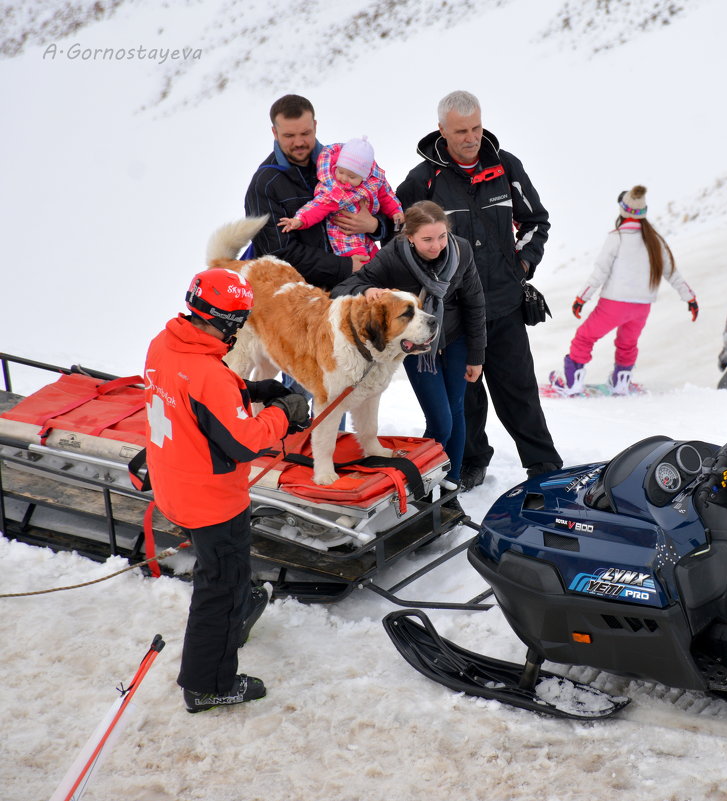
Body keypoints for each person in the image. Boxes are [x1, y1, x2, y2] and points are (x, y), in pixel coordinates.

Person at [144, 269, 311, 712]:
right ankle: (208, 684)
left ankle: (239, 608)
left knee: (225, 574)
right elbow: (243, 441)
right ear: (225, 321)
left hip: (175, 483)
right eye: (237, 322)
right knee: (218, 587)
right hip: (212, 501)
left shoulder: (165, 344)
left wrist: (251, 390)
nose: (239, 331)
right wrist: (283, 412)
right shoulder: (208, 374)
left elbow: (196, 397)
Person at [395, 90, 561, 489]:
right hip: (453, 314)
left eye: (476, 128)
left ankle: (543, 465)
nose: (470, 138)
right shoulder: (423, 180)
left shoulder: (505, 167)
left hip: (503, 305)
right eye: (461, 131)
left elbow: (537, 221)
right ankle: (472, 462)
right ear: (442, 131)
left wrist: (520, 265)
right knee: (465, 397)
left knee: (518, 389)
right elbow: (401, 237)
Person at [331, 201, 485, 502]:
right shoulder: (393, 255)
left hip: (454, 337)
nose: (437, 245)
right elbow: (344, 287)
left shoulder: (461, 250)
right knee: (440, 419)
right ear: (409, 236)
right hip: (416, 348)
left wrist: (476, 355)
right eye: (427, 239)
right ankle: (422, 482)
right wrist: (367, 291)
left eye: (441, 236)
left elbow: (475, 303)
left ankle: (449, 484)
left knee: (456, 411)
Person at [549, 185, 697, 397]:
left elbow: (600, 272)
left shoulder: (617, 237)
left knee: (584, 338)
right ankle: (621, 382)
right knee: (627, 344)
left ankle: (573, 383)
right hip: (642, 307)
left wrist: (582, 298)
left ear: (623, 210)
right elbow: (672, 273)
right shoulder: (655, 241)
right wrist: (690, 298)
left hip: (614, 304)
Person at [245, 94, 393, 291]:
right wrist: (344, 266)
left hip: (359, 279)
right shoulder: (265, 184)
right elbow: (278, 251)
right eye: (289, 136)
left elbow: (391, 208)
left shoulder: (345, 162)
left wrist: (375, 225)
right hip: (298, 296)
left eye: (305, 133)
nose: (299, 142)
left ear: (315, 126)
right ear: (274, 132)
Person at [278, 135, 404, 264]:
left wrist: (396, 212)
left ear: (364, 177)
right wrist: (300, 220)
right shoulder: (335, 190)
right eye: (341, 171)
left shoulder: (374, 183)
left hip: (366, 237)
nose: (344, 178)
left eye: (351, 176)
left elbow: (387, 196)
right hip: (345, 237)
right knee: (362, 265)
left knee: (378, 263)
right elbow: (317, 206)